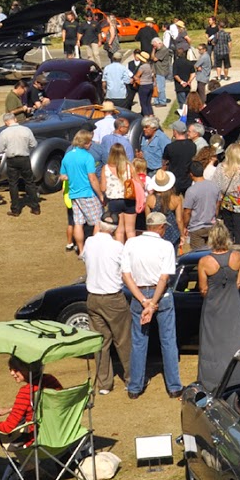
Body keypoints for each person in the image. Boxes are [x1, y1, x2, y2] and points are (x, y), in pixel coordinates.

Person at [122, 213, 180, 399]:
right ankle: (173, 387)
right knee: (168, 340)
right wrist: (153, 303)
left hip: (140, 295)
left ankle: (135, 387)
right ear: (161, 227)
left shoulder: (131, 243)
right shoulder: (166, 246)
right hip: (160, 295)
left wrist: (142, 300)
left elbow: (126, 275)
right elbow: (164, 278)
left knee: (139, 341)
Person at [81, 213, 132, 394]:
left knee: (101, 342)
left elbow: (85, 257)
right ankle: (130, 379)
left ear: (99, 225)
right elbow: (126, 270)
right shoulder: (118, 247)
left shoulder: (89, 242)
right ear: (115, 229)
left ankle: (104, 383)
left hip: (93, 297)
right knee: (123, 340)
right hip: (113, 298)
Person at [195, 226, 240, 392]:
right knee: (236, 339)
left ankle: (212, 381)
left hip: (213, 307)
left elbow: (203, 289)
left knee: (212, 344)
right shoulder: (237, 257)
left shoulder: (205, 262)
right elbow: (238, 283)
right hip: (233, 305)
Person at [0, 356, 62, 445]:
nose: (12, 373)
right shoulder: (50, 380)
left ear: (27, 369)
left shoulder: (26, 392)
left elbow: (7, 428)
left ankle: (28, 459)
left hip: (37, 442)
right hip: (61, 434)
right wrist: (9, 410)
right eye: (10, 369)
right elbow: (47, 407)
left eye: (16, 370)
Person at [61, 129, 102, 252]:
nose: (91, 144)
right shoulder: (87, 157)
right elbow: (92, 178)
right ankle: (94, 251)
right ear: (84, 143)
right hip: (88, 193)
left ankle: (81, 250)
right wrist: (100, 195)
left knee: (78, 223)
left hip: (74, 194)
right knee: (97, 222)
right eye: (89, 142)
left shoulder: (67, 156)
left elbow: (63, 176)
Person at [0, 111, 41, 216]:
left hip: (12, 159)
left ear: (6, 122)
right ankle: (35, 207)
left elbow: (0, 149)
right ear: (15, 119)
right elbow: (34, 144)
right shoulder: (26, 130)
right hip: (24, 158)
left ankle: (15, 209)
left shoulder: (4, 133)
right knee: (29, 182)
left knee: (13, 184)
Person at [215, 143, 240, 245]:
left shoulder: (220, 167)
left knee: (228, 228)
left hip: (225, 203)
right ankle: (239, 249)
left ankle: (229, 247)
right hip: (239, 204)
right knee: (239, 229)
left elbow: (216, 184)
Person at [182, 161, 221, 251]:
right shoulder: (214, 186)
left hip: (196, 228)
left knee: (198, 255)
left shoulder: (191, 191)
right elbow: (217, 205)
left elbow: (187, 212)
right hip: (212, 225)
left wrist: (185, 226)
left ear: (191, 174)